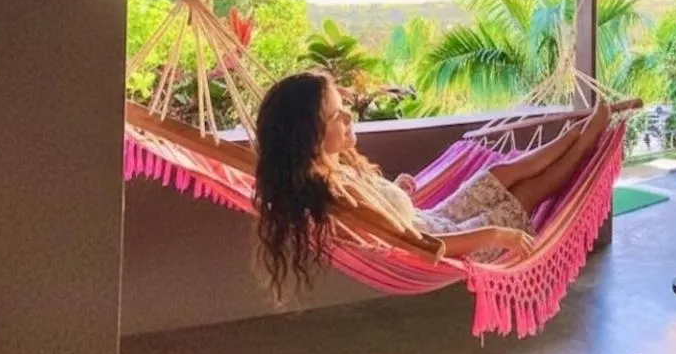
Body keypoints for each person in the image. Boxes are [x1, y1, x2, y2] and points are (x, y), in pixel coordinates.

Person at [253, 71, 612, 298]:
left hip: (435, 216)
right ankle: (582, 150)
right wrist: (497, 235)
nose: (349, 117)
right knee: (525, 194)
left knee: (502, 173)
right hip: (450, 242)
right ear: (308, 135)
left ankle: (577, 137)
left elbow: (384, 210)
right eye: (336, 115)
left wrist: (399, 190)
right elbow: (424, 247)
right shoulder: (339, 201)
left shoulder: (330, 167)